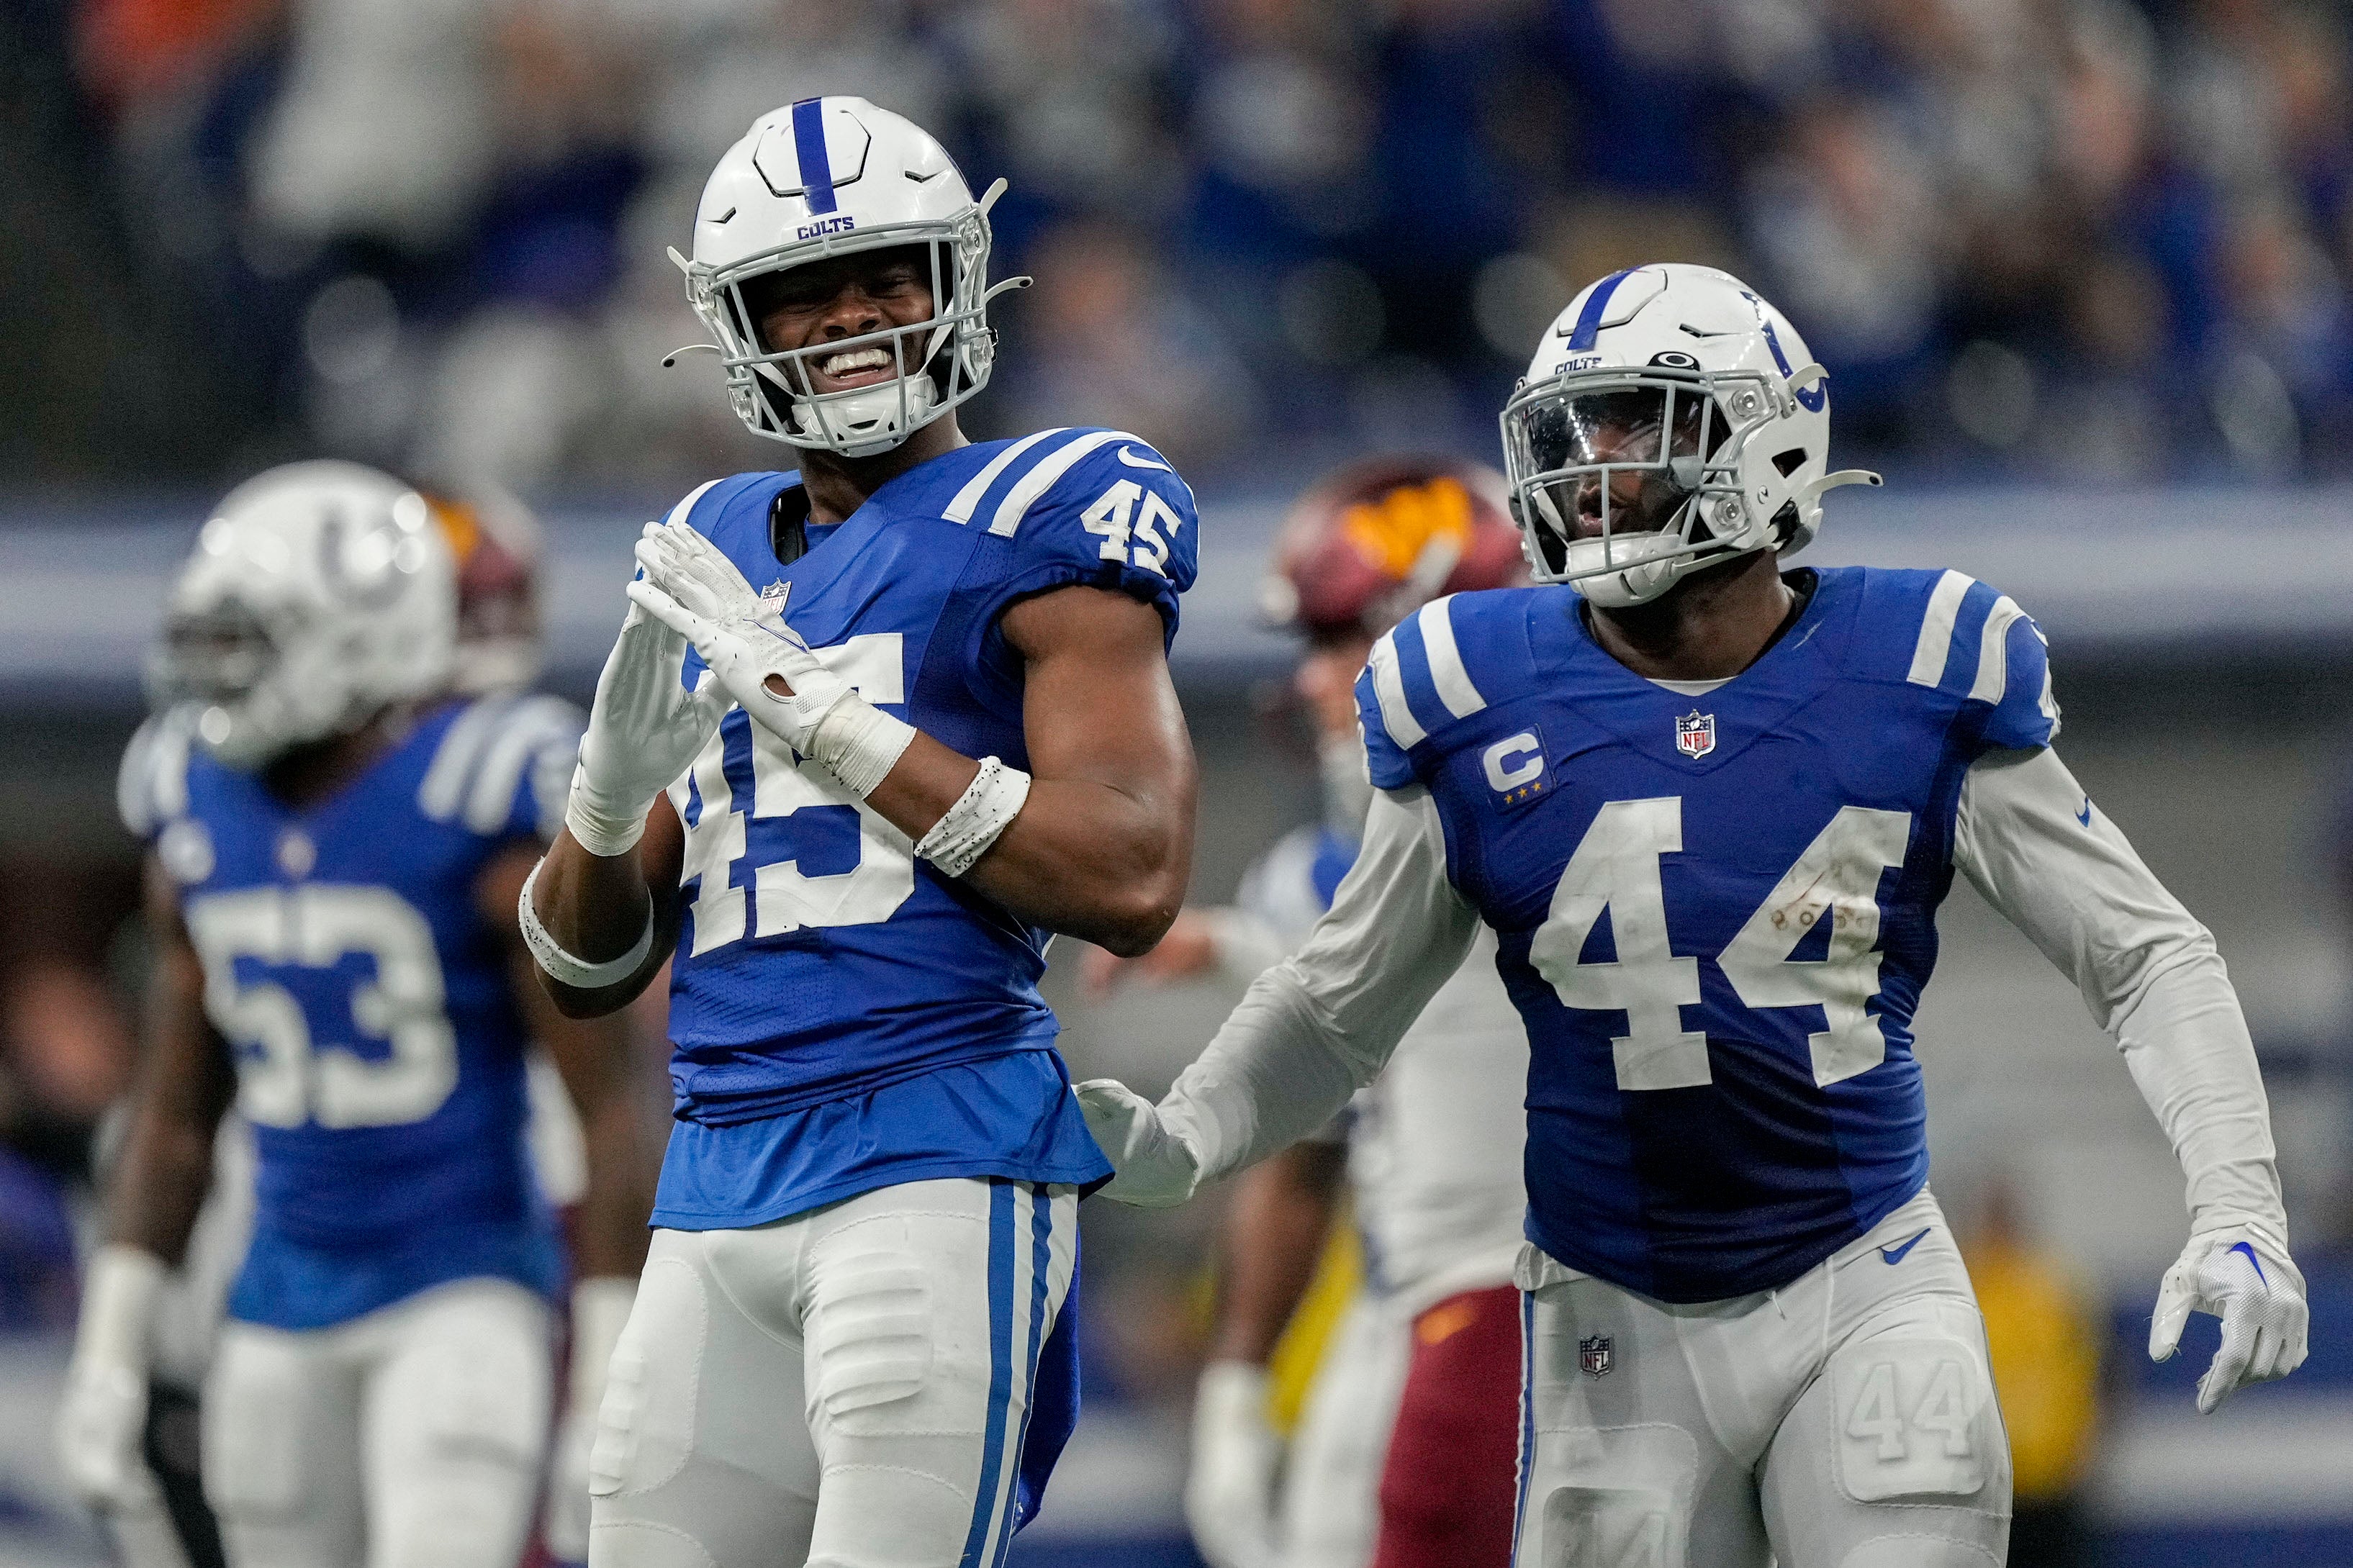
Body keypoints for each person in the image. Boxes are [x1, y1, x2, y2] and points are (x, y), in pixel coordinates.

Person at [1076, 262, 2310, 1566]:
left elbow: (2142, 952)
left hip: (1861, 1278)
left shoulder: (1920, 664)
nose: (1588, 465)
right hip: (1602, 1314)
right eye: (1573, 429)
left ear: (1766, 439)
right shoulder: (1466, 684)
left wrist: (2237, 1203)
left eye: (1633, 422)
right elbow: (1338, 1008)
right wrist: (1188, 1134)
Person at [519, 97, 1199, 1568]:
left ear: (957, 280)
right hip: (713, 1186)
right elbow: (585, 972)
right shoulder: (709, 537)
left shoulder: (1050, 503)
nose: (851, 318)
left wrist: (825, 719)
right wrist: (605, 793)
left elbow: (1133, 870)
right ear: (732, 324)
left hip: (931, 1161)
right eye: (801, 291)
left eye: (886, 275)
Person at [55, 461, 654, 1568]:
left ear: (361, 632)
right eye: (210, 641)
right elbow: (174, 1116)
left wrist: (608, 1375)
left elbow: (609, 1110)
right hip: (275, 1296)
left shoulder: (477, 788)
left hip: (461, 1289)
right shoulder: (191, 799)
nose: (217, 673)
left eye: (251, 639)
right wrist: (111, 1344)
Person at [1090, 457, 1530, 1568]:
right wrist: (1237, 1382)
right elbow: (1313, 1134)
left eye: (1344, 641)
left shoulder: (1566, 839)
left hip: (1570, 1309)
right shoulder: (1311, 878)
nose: (1316, 682)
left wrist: (1246, 954)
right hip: (1403, 1305)